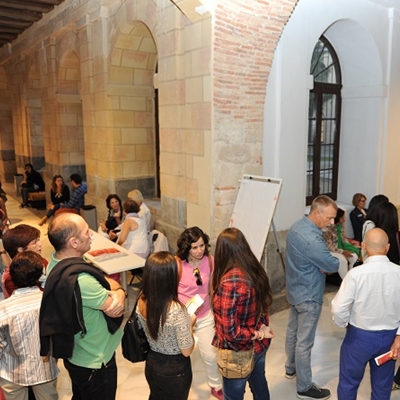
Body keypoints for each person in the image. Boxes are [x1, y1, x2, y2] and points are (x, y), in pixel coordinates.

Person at [39, 213, 126, 400]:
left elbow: (103, 281)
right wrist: (120, 291)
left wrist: (112, 287)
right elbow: (116, 308)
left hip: (77, 353)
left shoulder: (56, 262)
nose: (91, 235)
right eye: (87, 232)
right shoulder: (82, 280)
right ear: (74, 242)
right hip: (95, 360)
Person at [331, 228, 400, 400]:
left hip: (358, 337)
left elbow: (338, 308)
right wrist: (399, 336)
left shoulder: (355, 274)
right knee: (382, 386)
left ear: (363, 246)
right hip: (389, 338)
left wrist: (345, 324)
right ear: (388, 247)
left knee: (349, 383)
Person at [285, 195, 339, 400]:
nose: (331, 222)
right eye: (329, 218)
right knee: (304, 342)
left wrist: (320, 264)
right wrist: (323, 265)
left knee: (292, 332)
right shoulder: (312, 239)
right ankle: (304, 387)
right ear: (317, 213)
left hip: (295, 289)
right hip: (309, 294)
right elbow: (332, 264)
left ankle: (291, 368)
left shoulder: (296, 226)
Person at [211, 227, 274, 400]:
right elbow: (264, 305)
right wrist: (262, 330)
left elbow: (231, 333)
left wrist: (258, 334)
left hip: (238, 353)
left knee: (233, 395)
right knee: (259, 385)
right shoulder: (254, 269)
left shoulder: (229, 283)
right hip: (259, 347)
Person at [0, 251, 59, 400]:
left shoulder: (4, 308)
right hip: (45, 369)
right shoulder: (50, 302)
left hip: (12, 371)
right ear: (40, 275)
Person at [136, 251, 195, 400]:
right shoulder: (176, 309)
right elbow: (186, 350)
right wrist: (190, 324)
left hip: (152, 363)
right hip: (175, 370)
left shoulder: (141, 300)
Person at [176, 227, 223, 400]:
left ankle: (215, 386)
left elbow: (213, 286)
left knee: (210, 354)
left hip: (204, 314)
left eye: (202, 245)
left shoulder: (210, 260)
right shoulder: (177, 264)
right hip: (182, 317)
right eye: (194, 247)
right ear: (186, 247)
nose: (199, 250)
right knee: (181, 356)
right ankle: (179, 388)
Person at [1, 224, 47, 298]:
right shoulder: (10, 278)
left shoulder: (42, 261)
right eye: (35, 242)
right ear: (21, 250)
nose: (40, 244)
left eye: (38, 239)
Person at [322, 208, 360, 279]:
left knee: (353, 256)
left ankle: (352, 277)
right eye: (342, 217)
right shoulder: (328, 228)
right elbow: (329, 246)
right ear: (338, 218)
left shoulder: (341, 226)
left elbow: (344, 240)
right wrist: (342, 251)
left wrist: (349, 248)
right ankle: (346, 280)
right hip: (330, 251)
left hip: (340, 248)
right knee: (342, 260)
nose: (344, 219)